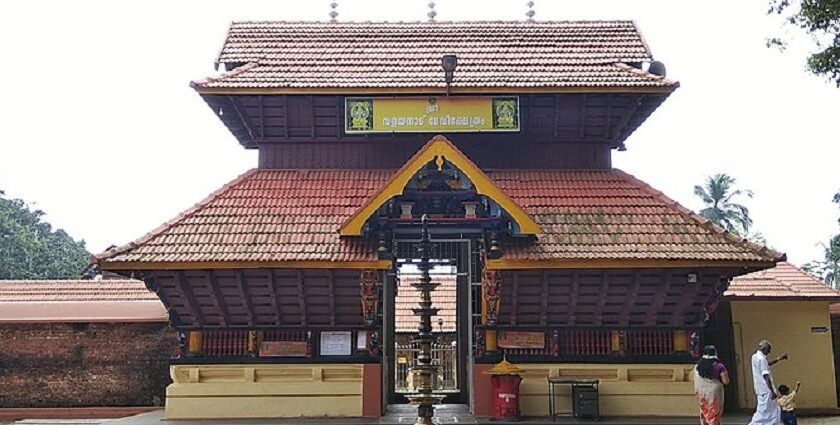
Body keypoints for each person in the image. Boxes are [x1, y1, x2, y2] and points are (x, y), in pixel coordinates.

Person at [749, 340, 789, 425]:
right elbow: (766, 377)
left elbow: (768, 364)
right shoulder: (762, 359)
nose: (769, 352)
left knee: (767, 410)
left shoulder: (754, 357)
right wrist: (772, 391)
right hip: (766, 389)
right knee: (766, 412)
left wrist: (779, 359)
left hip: (760, 389)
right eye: (768, 350)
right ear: (764, 349)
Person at [694, 345, 730, 425]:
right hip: (714, 394)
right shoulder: (719, 366)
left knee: (704, 412)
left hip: (702, 393)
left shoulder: (698, 366)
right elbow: (726, 381)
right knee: (714, 413)